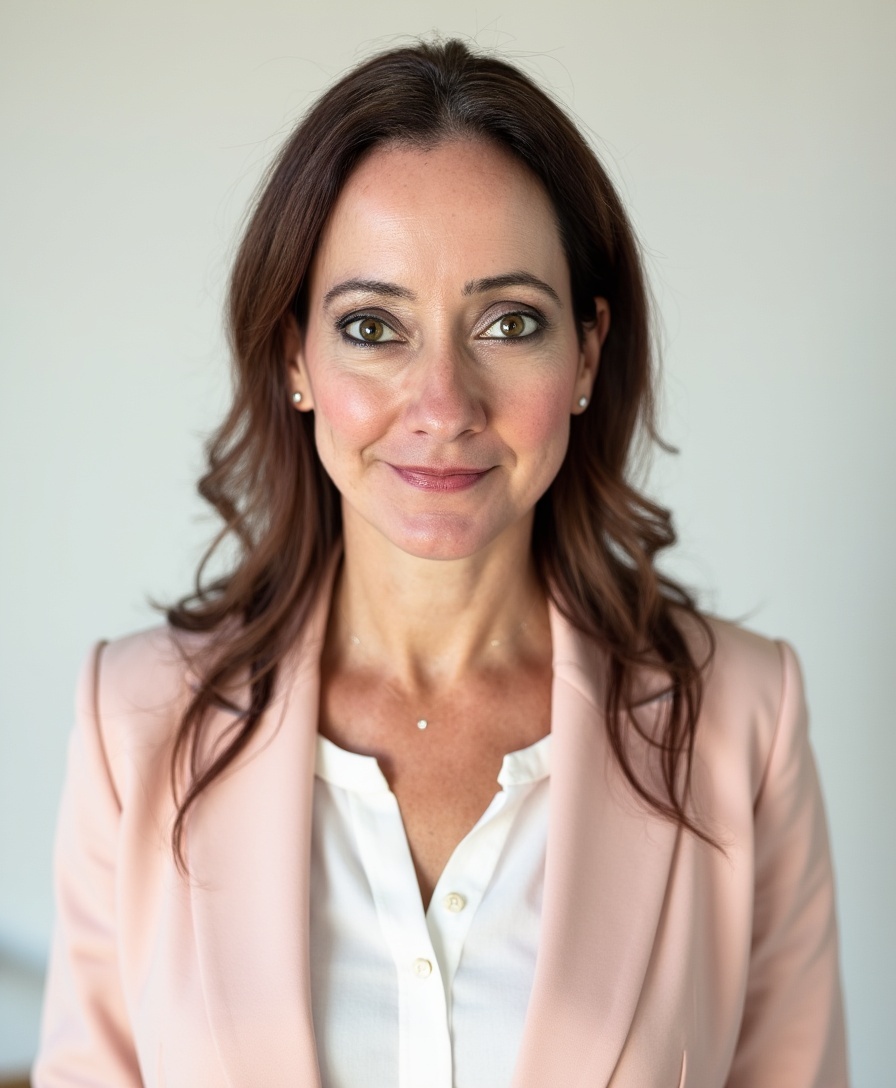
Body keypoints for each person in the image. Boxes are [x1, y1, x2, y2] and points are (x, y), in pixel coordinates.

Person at [33, 37, 848, 1088]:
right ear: (294, 356)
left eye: (508, 322)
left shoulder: (742, 717)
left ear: (587, 352)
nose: (443, 405)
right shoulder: (133, 722)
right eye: (374, 326)